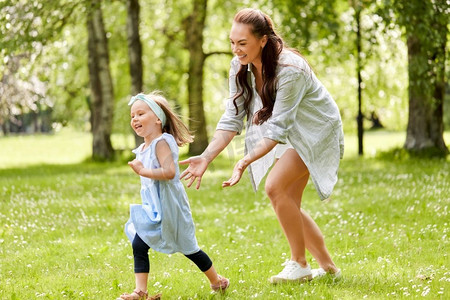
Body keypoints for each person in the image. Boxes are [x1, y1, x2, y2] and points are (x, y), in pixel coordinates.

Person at [180, 8, 344, 283]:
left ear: (263, 40)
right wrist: (206, 157)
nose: (236, 49)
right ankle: (329, 270)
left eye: (242, 43)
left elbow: (278, 128)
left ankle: (300, 264)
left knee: (275, 187)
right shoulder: (239, 67)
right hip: (289, 130)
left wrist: (244, 161)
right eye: (232, 42)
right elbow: (232, 119)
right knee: (287, 200)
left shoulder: (290, 69)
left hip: (316, 130)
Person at [118, 92, 229, 300]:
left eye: (141, 113)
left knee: (189, 247)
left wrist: (143, 171)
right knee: (139, 242)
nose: (135, 119)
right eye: (132, 116)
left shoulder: (162, 143)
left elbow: (170, 173)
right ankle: (140, 292)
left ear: (158, 119)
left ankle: (218, 282)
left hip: (170, 207)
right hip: (154, 206)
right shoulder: (143, 147)